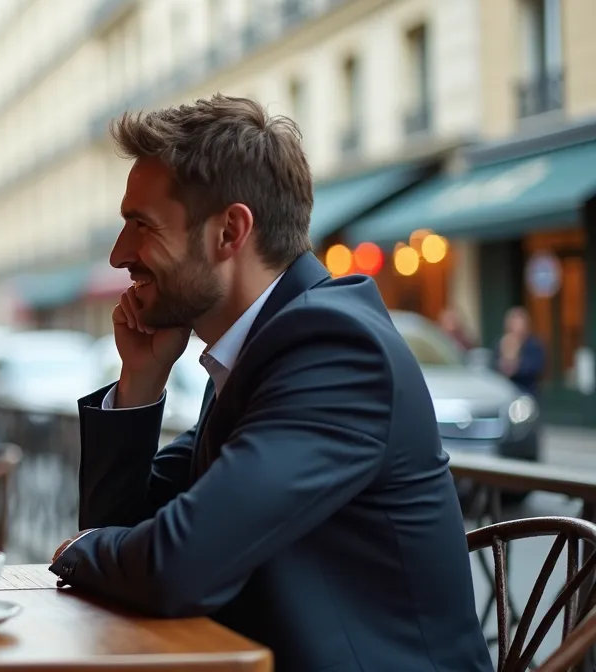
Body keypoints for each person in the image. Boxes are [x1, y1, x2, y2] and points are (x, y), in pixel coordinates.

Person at [47, 95, 491, 671]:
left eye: (142, 225)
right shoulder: (261, 348)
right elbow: (129, 532)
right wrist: (141, 380)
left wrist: (81, 552)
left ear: (229, 231)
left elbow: (179, 564)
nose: (119, 254)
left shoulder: (334, 349)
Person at [497, 306, 546, 395]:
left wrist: (515, 364)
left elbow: (536, 368)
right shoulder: (502, 342)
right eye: (514, 323)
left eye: (520, 323)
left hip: (527, 392)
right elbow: (496, 367)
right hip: (505, 392)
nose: (517, 327)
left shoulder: (534, 345)